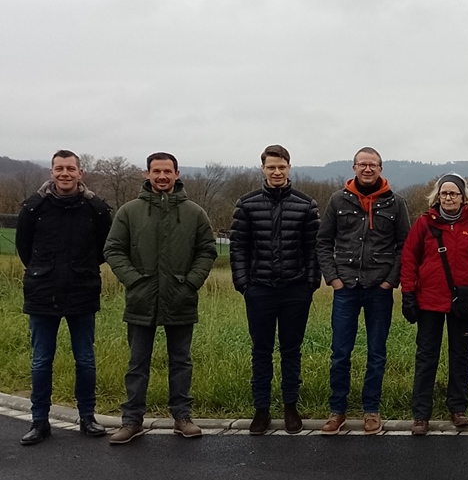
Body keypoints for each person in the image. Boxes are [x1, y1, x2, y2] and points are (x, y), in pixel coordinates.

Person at [104, 152, 217, 444]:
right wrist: (133, 280)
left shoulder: (194, 213)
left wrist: (191, 282)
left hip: (180, 298)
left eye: (168, 171)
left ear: (177, 174)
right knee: (137, 363)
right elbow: (113, 249)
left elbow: (207, 250)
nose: (162, 176)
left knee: (181, 361)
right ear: (147, 174)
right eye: (157, 171)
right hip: (141, 300)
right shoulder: (129, 212)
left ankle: (182, 417)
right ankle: (132, 421)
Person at [15, 150, 112, 445]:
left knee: (85, 360)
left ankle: (87, 417)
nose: (65, 173)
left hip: (82, 292)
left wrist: (81, 269)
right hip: (42, 293)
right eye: (59, 168)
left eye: (71, 168)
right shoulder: (33, 207)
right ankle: (39, 421)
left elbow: (104, 248)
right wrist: (43, 271)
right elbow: (24, 248)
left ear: (80, 173)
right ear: (51, 172)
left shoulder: (95, 208)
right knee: (41, 361)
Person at [315, 147, 409, 436]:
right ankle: (337, 411)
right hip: (346, 288)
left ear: (381, 168)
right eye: (362, 164)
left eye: (373, 165)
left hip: (379, 289)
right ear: (354, 167)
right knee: (340, 352)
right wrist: (333, 279)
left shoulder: (396, 203)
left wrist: (389, 282)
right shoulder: (337, 200)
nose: (367, 169)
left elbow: (404, 247)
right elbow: (323, 242)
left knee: (376, 353)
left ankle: (371, 411)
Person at [229, 145, 320, 435]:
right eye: (271, 167)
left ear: (289, 167)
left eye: (282, 167)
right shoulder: (247, 204)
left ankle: (291, 407)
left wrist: (309, 284)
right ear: (263, 169)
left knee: (291, 351)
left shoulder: (306, 205)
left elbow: (313, 249)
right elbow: (238, 248)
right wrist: (244, 283)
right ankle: (262, 410)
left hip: (295, 291)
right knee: (261, 351)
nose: (277, 172)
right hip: (259, 291)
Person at [401, 173, 468, 436]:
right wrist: (407, 294)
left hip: (462, 302)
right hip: (429, 300)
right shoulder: (424, 224)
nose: (448, 197)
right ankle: (421, 414)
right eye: (444, 193)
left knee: (460, 356)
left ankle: (458, 407)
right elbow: (409, 259)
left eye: (454, 193)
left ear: (463, 197)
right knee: (426, 357)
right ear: (437, 196)